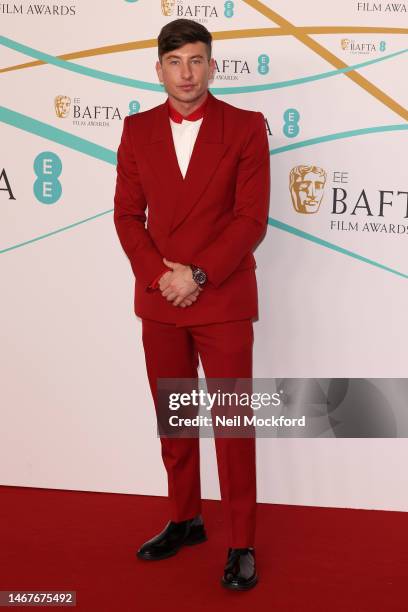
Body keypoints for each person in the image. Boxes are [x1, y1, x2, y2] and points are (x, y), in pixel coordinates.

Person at [113, 18, 270, 591]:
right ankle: (185, 519)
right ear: (159, 71)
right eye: (176, 62)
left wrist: (198, 274)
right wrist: (162, 277)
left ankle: (242, 541)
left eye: (197, 60)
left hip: (223, 295)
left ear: (212, 65)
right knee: (174, 420)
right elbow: (128, 217)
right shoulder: (136, 130)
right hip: (161, 299)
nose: (187, 72)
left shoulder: (247, 127)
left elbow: (251, 218)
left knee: (232, 424)